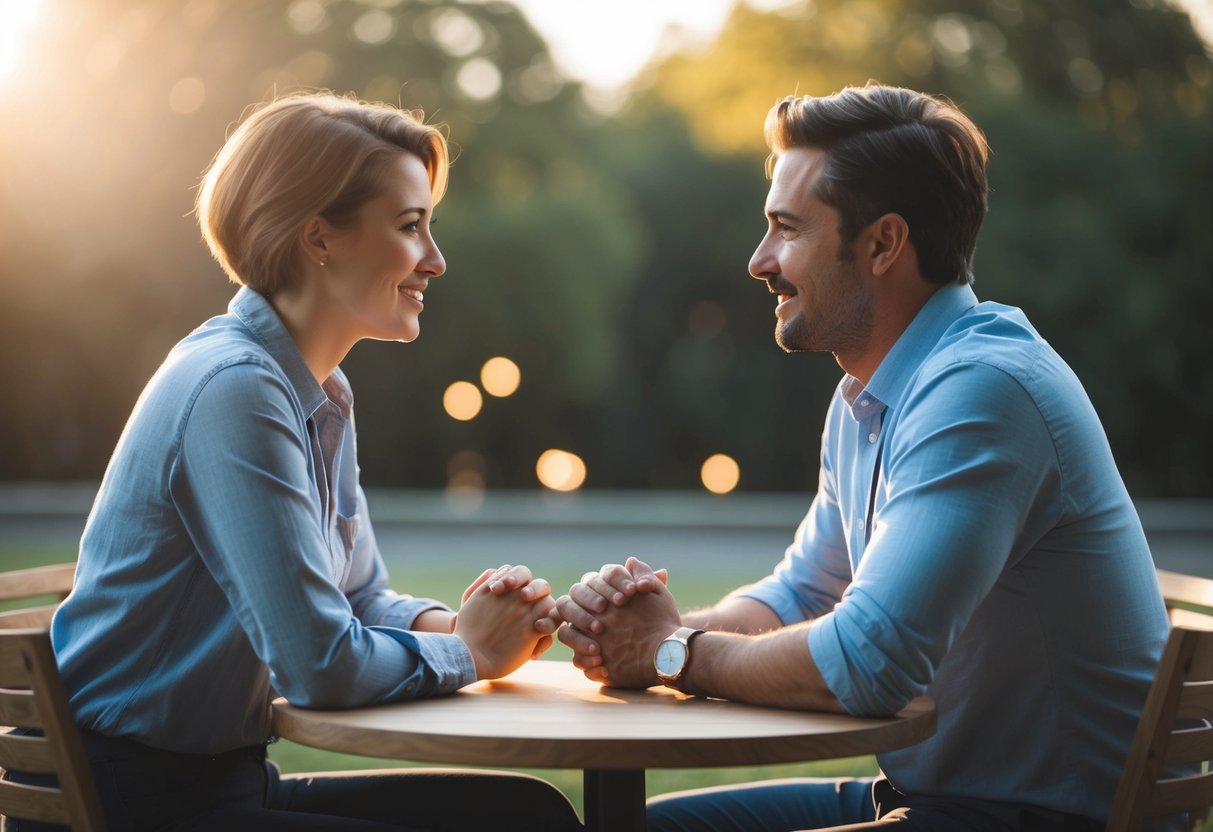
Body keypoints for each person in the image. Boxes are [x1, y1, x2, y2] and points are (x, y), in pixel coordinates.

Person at [556, 83, 1174, 831]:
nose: (759, 261)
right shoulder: (869, 394)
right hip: (935, 803)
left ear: (883, 243)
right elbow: (800, 595)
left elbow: (867, 663)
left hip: (1039, 820)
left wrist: (670, 651)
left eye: (786, 229)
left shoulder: (982, 391)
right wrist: (638, 631)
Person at [3, 92, 580, 832]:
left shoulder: (320, 392)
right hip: (123, 804)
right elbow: (317, 665)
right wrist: (469, 654)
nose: (435, 259)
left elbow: (358, 599)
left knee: (520, 812)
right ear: (319, 239)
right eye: (410, 227)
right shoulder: (235, 389)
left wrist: (469, 623)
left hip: (218, 788)